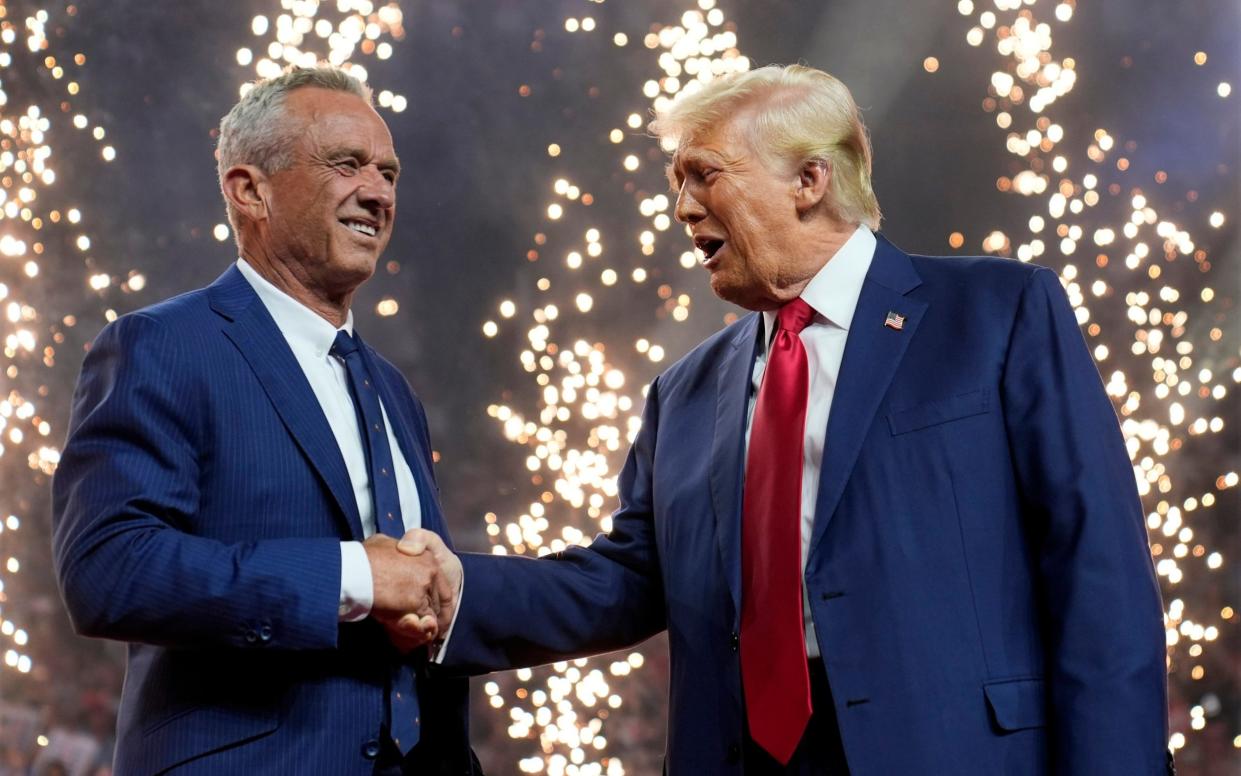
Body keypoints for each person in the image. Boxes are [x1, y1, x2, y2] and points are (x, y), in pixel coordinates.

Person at [410, 65, 1171, 774]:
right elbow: (626, 581)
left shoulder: (998, 313)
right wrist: (451, 590)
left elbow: (1094, 568)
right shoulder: (682, 391)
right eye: (677, 182)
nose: (681, 208)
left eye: (703, 175)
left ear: (809, 180)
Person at [52, 66, 480, 774]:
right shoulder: (162, 346)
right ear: (249, 189)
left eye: (388, 172)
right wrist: (353, 577)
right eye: (345, 165)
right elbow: (108, 570)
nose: (376, 192)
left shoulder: (394, 391)